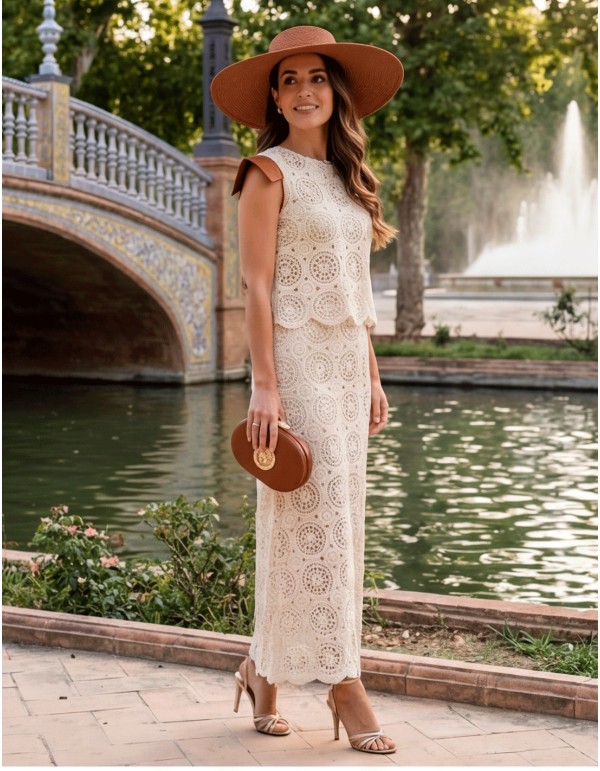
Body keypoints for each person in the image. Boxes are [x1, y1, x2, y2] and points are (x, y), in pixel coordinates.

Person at [211, 25, 403, 755]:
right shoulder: (267, 172)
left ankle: (262, 668)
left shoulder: (352, 179)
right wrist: (264, 385)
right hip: (292, 363)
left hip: (347, 369)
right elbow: (256, 284)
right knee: (310, 513)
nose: (303, 91)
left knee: (334, 527)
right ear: (275, 98)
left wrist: (374, 374)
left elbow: (353, 289)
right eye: (287, 80)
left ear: (336, 90)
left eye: (315, 77)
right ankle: (344, 684)